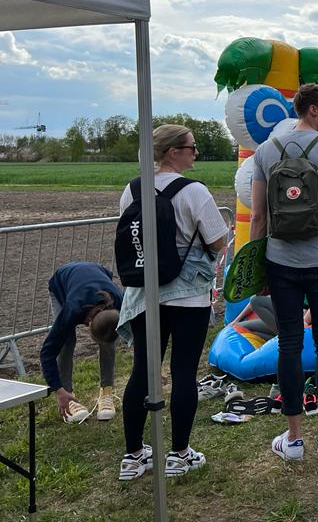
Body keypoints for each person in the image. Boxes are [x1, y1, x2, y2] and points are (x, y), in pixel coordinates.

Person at [250, 82, 318, 461]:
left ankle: (293, 438)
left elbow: (259, 215)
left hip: (281, 263)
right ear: (311, 109)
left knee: (290, 343)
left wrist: (255, 263)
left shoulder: (265, 151)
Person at [116, 124, 229, 480]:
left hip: (144, 294)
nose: (196, 153)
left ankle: (133, 455)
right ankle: (179, 454)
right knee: (183, 373)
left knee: (142, 372)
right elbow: (217, 240)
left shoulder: (131, 189)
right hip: (189, 296)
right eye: (192, 147)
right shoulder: (194, 192)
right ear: (173, 152)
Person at [40, 261, 122, 424]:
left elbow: (141, 335)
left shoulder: (119, 302)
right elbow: (47, 353)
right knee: (67, 342)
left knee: (108, 341)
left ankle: (106, 392)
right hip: (61, 282)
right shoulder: (72, 309)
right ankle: (68, 396)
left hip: (97, 273)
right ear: (89, 322)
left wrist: (152, 370)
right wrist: (58, 389)